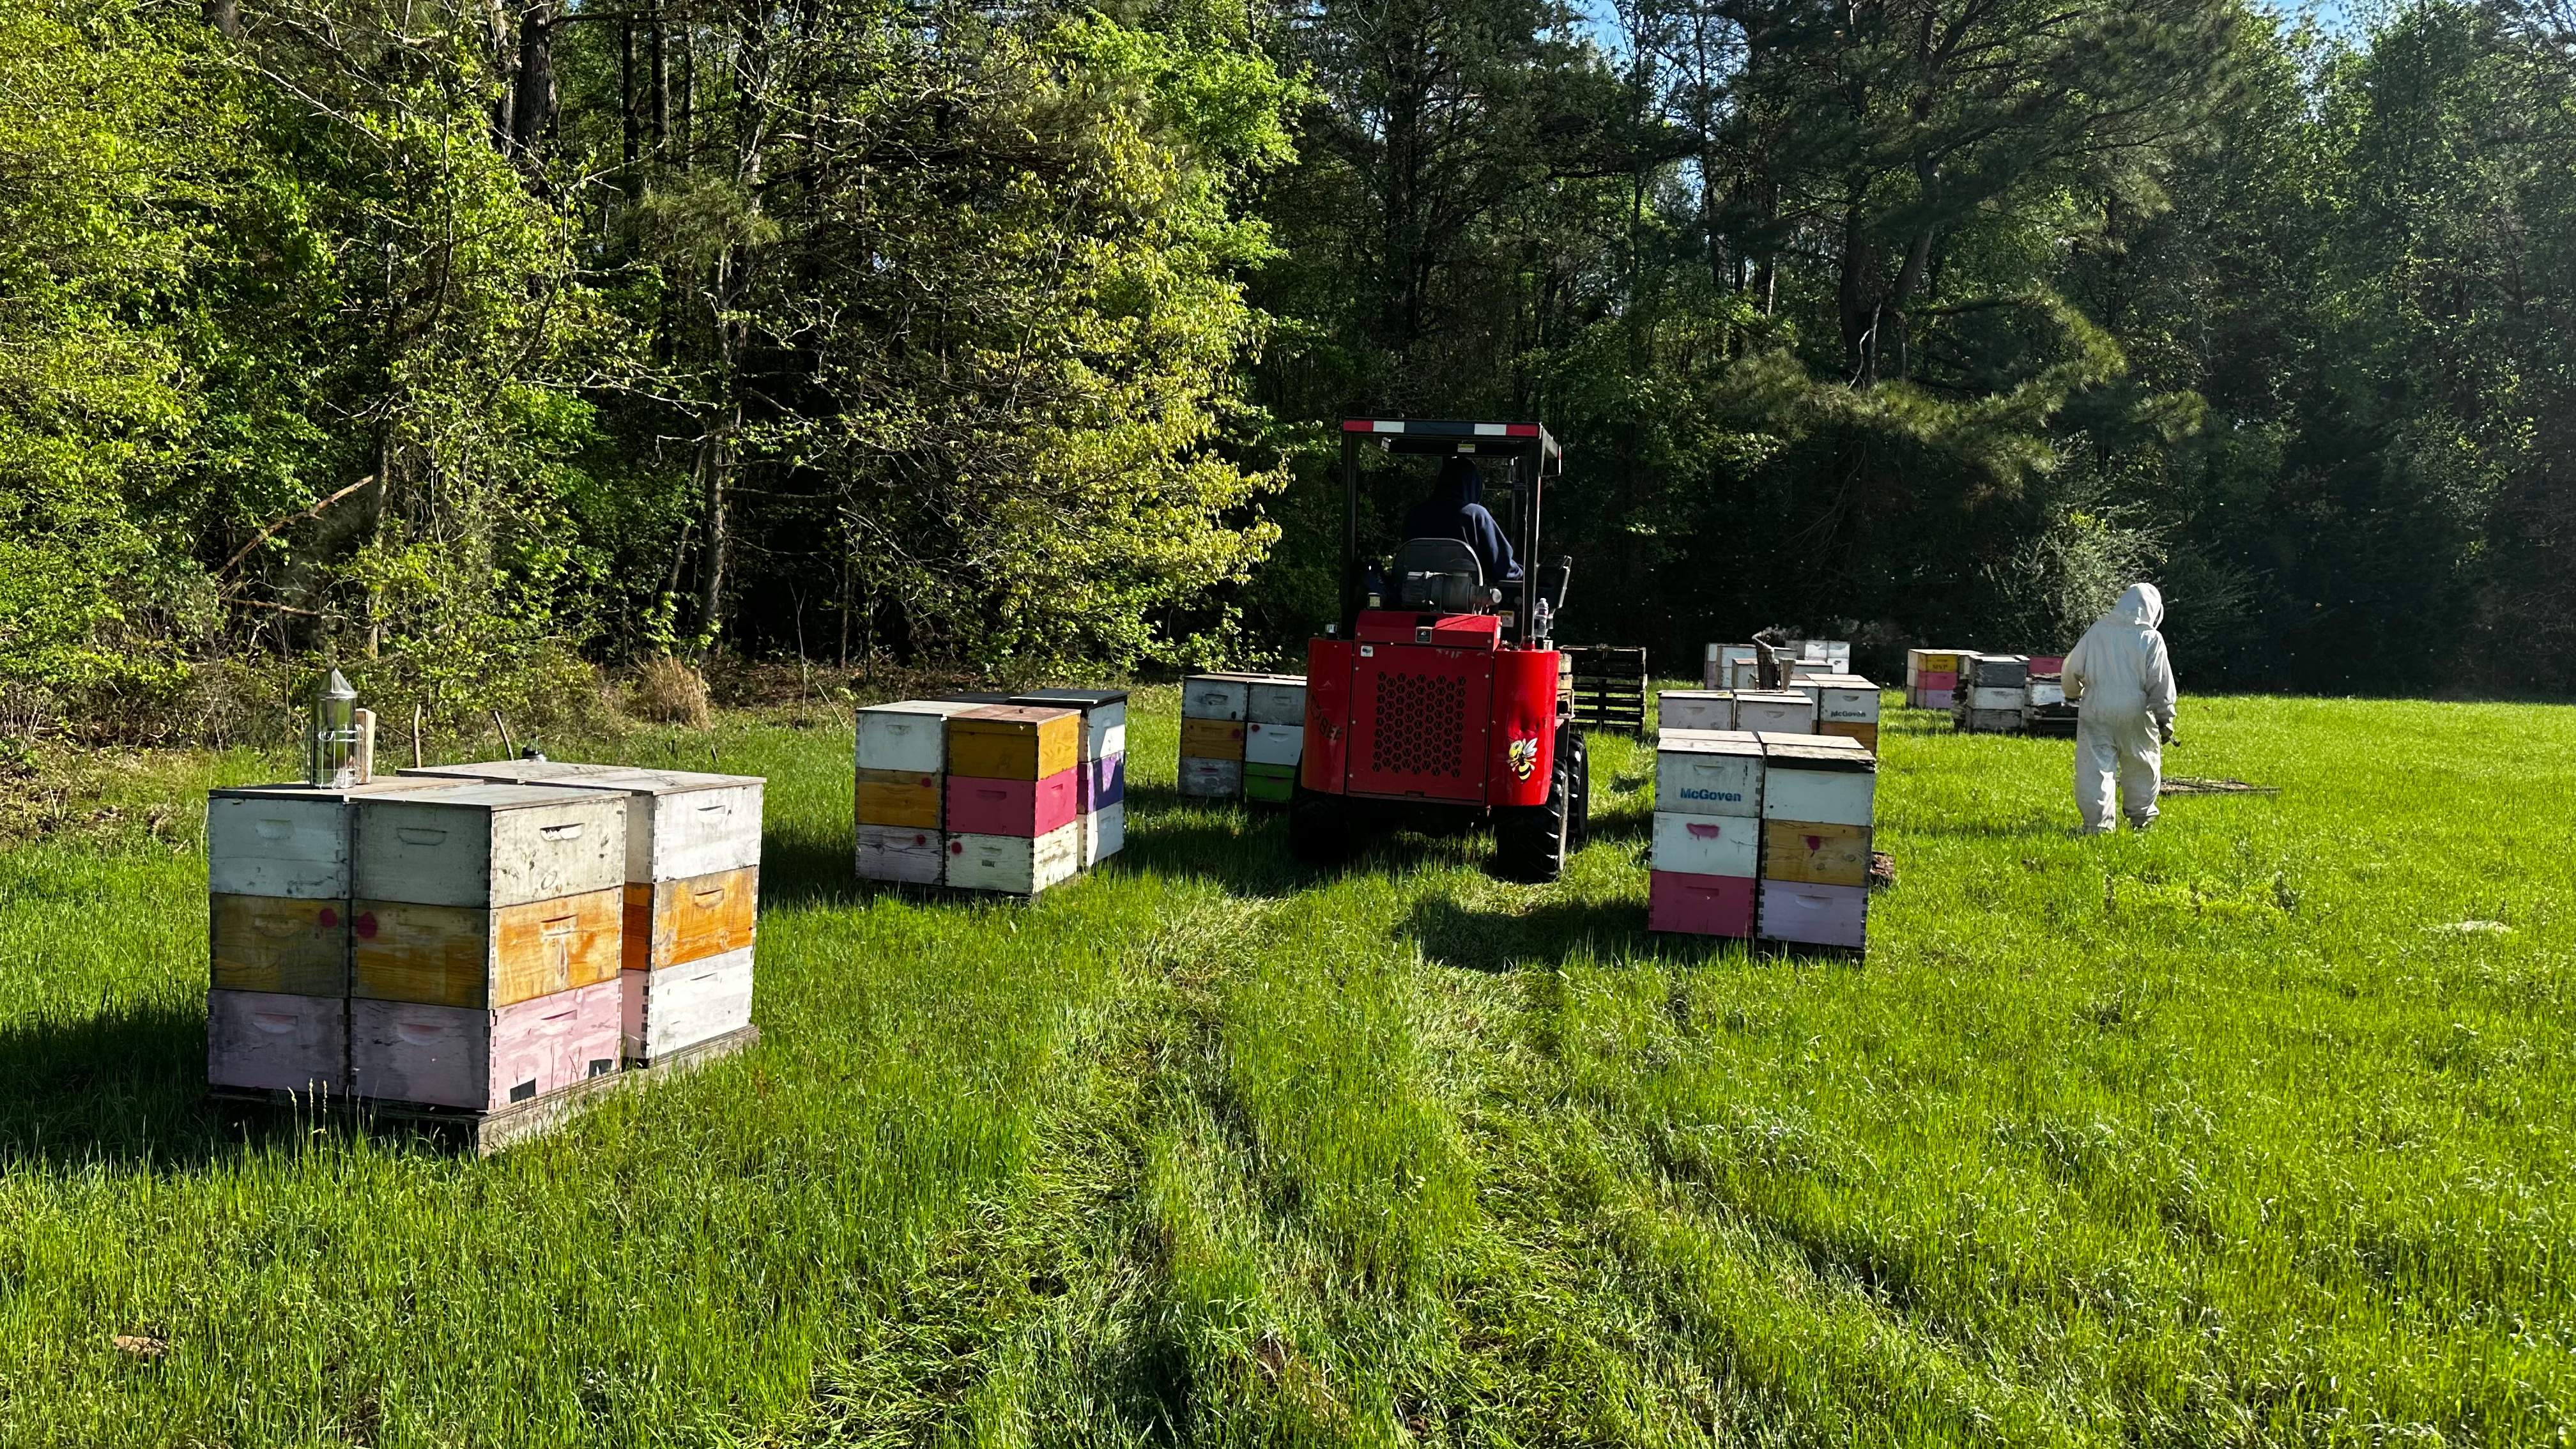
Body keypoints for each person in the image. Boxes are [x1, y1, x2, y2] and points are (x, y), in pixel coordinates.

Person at [2062, 582, 2178, 834]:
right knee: (2141, 764)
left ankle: (2097, 826)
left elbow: (2071, 668)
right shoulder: (2151, 639)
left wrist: (2072, 692)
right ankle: (2142, 820)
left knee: (2095, 769)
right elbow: (2161, 684)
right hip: (2137, 711)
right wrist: (2165, 719)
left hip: (2096, 708)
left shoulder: (2098, 631)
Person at [1404, 456, 1521, 585]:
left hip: (1415, 592)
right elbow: (1504, 568)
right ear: (1473, 485)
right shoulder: (1476, 516)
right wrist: (1522, 572)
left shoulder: (1414, 515)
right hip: (1466, 594)